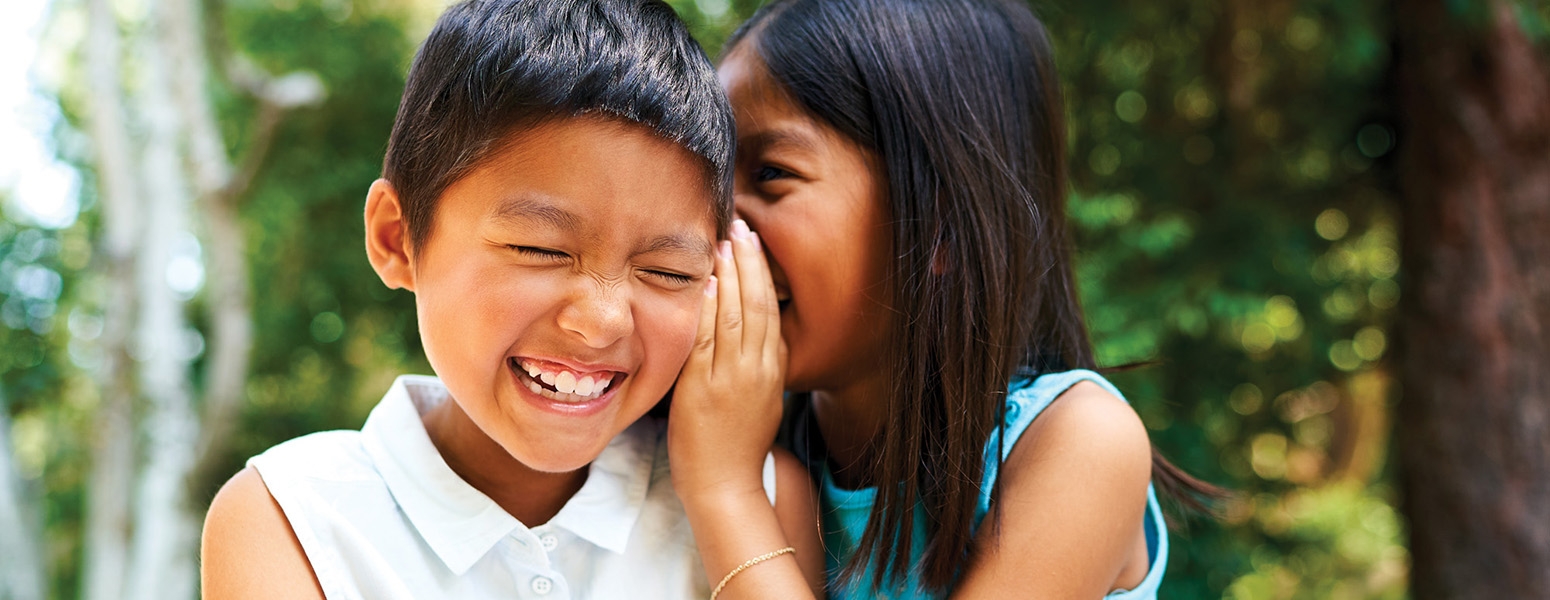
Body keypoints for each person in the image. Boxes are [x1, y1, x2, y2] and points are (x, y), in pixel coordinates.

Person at [199, 1, 823, 598]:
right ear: (398, 238)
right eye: (542, 250)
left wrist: (726, 498)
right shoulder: (292, 518)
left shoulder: (756, 499)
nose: (601, 320)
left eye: (666, 271)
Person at [668, 0, 1222, 597]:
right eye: (713, 181)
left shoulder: (1080, 442)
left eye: (772, 174)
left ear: (942, 225)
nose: (713, 226)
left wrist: (725, 487)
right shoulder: (744, 438)